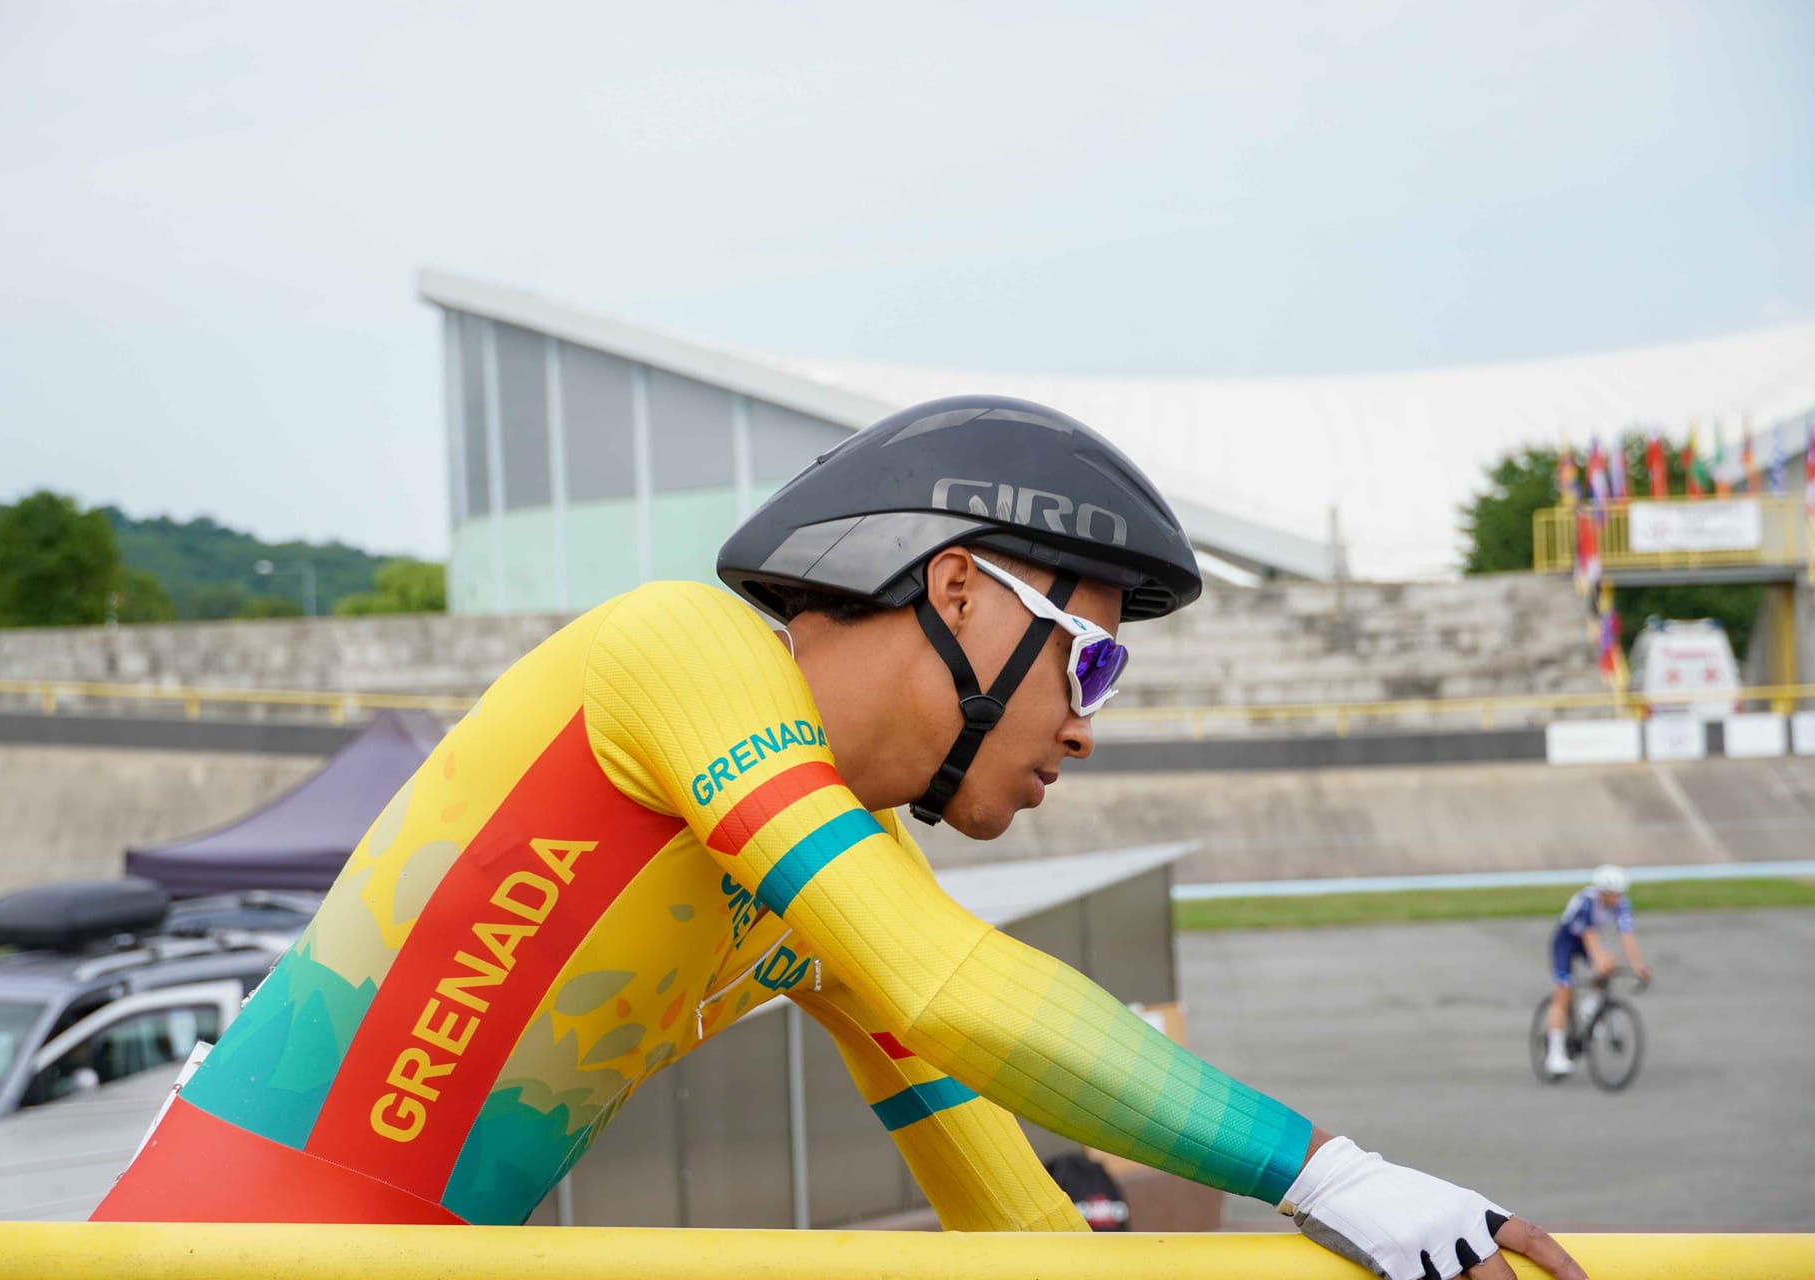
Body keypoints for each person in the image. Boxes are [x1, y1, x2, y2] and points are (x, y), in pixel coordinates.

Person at [94, 395, 1583, 1280]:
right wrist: (1334, 1176)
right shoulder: (682, 657)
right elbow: (945, 983)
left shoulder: (827, 883)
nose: (1084, 723)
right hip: (200, 1250)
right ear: (961, 594)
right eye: (1094, 656)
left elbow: (1012, 1213)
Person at [1543, 864, 1651, 1078]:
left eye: (1619, 895)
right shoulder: (1586, 903)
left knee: (1609, 962)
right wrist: (1598, 960)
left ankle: (1592, 1004)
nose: (1616, 900)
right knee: (1563, 992)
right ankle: (1554, 1054)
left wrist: (1637, 965)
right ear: (1601, 892)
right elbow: (1589, 936)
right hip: (1565, 943)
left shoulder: (1621, 904)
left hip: (1586, 942)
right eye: (1612, 895)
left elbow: (1627, 935)